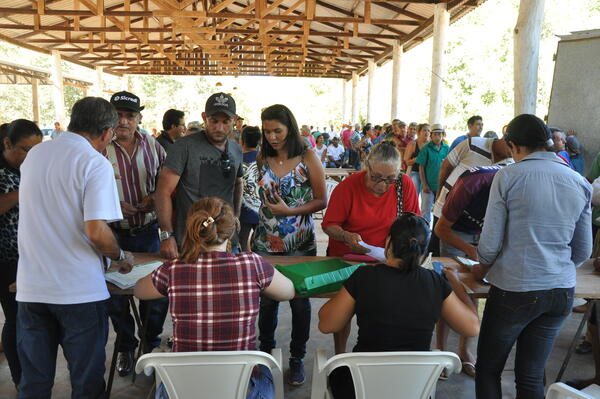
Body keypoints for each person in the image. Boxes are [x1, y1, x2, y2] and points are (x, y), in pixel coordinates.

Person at [16, 97, 135, 398]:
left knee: (34, 382)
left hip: (32, 288)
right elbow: (96, 231)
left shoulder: (36, 155)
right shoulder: (94, 163)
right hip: (78, 291)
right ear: (107, 133)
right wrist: (119, 256)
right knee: (86, 383)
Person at [473, 114, 592, 399]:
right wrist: (554, 267)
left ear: (514, 145)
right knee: (531, 375)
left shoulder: (508, 176)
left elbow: (488, 246)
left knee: (489, 368)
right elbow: (583, 250)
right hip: (560, 291)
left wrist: (483, 267)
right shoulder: (579, 181)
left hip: (515, 289)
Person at [134, 197, 296, 399]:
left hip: (183, 390)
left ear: (193, 229)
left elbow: (139, 290)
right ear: (232, 229)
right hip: (243, 391)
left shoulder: (173, 268)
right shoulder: (251, 264)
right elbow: (289, 291)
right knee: (266, 368)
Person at [318, 213, 480, 399]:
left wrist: (346, 291)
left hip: (361, 385)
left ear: (388, 243)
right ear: (424, 252)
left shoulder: (364, 277)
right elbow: (472, 327)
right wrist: (457, 283)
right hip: (413, 388)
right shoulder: (434, 282)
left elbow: (326, 325)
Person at [321, 141, 420, 353]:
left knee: (383, 313)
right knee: (342, 314)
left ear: (399, 172)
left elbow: (413, 224)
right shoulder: (347, 187)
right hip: (347, 258)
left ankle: (377, 355)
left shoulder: (404, 186)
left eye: (390, 179)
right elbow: (329, 225)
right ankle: (341, 355)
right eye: (376, 177)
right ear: (366, 165)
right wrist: (346, 236)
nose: (382, 185)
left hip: (387, 261)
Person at [252, 104, 327, 386]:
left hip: (299, 242)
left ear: (290, 129)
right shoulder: (262, 157)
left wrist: (290, 212)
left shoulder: (308, 156)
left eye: (277, 131)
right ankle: (266, 354)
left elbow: (322, 200)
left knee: (299, 303)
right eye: (267, 131)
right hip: (265, 242)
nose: (272, 136)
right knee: (267, 303)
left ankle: (296, 359)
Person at [103, 91, 169, 377]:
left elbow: (167, 185)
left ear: (139, 117)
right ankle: (126, 346)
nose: (124, 121)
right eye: (118, 115)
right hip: (111, 235)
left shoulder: (154, 146)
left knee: (156, 295)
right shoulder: (99, 147)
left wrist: (153, 197)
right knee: (115, 297)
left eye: (129, 115)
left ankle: (150, 345)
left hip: (148, 232)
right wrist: (112, 206)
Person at [433, 164, 503, 379]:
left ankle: (464, 351)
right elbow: (441, 229)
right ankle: (441, 351)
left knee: (474, 290)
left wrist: (486, 251)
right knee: (448, 291)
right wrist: (469, 250)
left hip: (485, 234)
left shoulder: (514, 187)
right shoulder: (470, 184)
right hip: (455, 231)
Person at [156, 92, 243, 258]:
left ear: (235, 120)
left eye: (225, 122)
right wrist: (167, 235)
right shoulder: (185, 146)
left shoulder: (236, 149)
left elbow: (238, 182)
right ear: (204, 117)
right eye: (214, 121)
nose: (219, 127)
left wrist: (236, 215)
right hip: (192, 242)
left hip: (226, 240)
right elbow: (163, 191)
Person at [0, 119, 43, 388]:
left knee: (30, 322)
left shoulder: (25, 169)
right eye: (25, 149)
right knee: (16, 321)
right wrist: (26, 189)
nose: (30, 156)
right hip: (7, 260)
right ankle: (20, 380)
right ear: (7, 144)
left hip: (30, 258)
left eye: (35, 151)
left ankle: (31, 377)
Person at [432, 133, 513, 256]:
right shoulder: (472, 144)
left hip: (472, 223)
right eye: (512, 147)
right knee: (436, 253)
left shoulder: (512, 164)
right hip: (445, 208)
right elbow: (446, 167)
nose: (515, 153)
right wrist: (439, 195)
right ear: (507, 139)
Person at [417, 124, 449, 225]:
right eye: (435, 134)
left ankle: (436, 234)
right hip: (428, 186)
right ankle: (425, 233)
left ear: (443, 135)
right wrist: (424, 184)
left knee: (440, 210)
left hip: (441, 185)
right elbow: (421, 167)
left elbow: (449, 166)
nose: (437, 136)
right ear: (431, 136)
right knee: (426, 212)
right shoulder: (426, 149)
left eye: (439, 134)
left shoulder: (446, 148)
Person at [240, 126, 262, 252]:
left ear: (242, 141)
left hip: (243, 211)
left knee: (242, 243)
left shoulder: (237, 159)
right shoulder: (266, 160)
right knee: (260, 245)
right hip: (262, 210)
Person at [403, 123, 430, 194]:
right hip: (415, 172)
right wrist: (419, 158)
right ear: (419, 132)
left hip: (428, 173)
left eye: (428, 131)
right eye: (424, 130)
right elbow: (407, 162)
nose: (427, 132)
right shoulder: (413, 144)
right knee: (414, 194)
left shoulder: (431, 145)